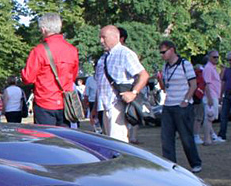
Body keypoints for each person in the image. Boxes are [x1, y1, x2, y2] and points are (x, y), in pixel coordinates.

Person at [92, 25, 150, 143]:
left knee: (118, 143)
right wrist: (95, 109)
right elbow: (100, 85)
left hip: (117, 106)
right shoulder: (103, 58)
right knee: (108, 143)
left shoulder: (125, 53)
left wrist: (133, 93)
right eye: (100, 37)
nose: (101, 41)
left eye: (104, 37)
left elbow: (143, 75)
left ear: (115, 37)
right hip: (104, 106)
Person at [20, 12, 79, 126]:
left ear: (43, 29)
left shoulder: (39, 51)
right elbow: (73, 76)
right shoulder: (72, 50)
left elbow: (28, 78)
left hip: (44, 102)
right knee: (64, 139)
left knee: (46, 140)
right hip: (65, 103)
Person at [157, 40, 202, 172]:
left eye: (164, 52)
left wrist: (186, 100)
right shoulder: (165, 67)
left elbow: (193, 84)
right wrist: (160, 80)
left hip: (182, 106)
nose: (162, 55)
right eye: (161, 52)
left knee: (186, 137)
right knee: (166, 138)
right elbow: (165, 88)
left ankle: (195, 163)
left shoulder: (185, 64)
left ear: (172, 50)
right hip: (168, 105)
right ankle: (169, 165)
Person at [201, 50, 222, 144]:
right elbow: (206, 84)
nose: (216, 59)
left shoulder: (213, 68)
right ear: (209, 57)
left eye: (217, 57)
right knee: (209, 117)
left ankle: (211, 137)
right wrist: (209, 97)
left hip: (214, 96)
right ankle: (207, 139)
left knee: (210, 118)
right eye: (214, 57)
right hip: (211, 96)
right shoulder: (208, 68)